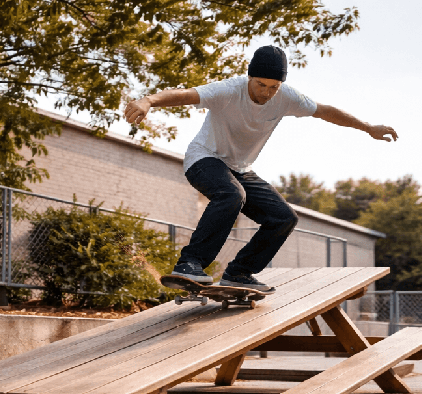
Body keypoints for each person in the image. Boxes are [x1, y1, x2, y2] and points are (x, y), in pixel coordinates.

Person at [123, 45, 398, 290]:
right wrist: (147, 101)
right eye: (260, 85)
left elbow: (325, 111)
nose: (266, 92)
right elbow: (185, 95)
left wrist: (367, 127)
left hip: (240, 168)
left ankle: (240, 272)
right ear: (249, 77)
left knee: (283, 217)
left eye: (273, 87)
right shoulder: (228, 90)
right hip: (204, 159)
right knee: (232, 195)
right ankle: (190, 264)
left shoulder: (288, 97)